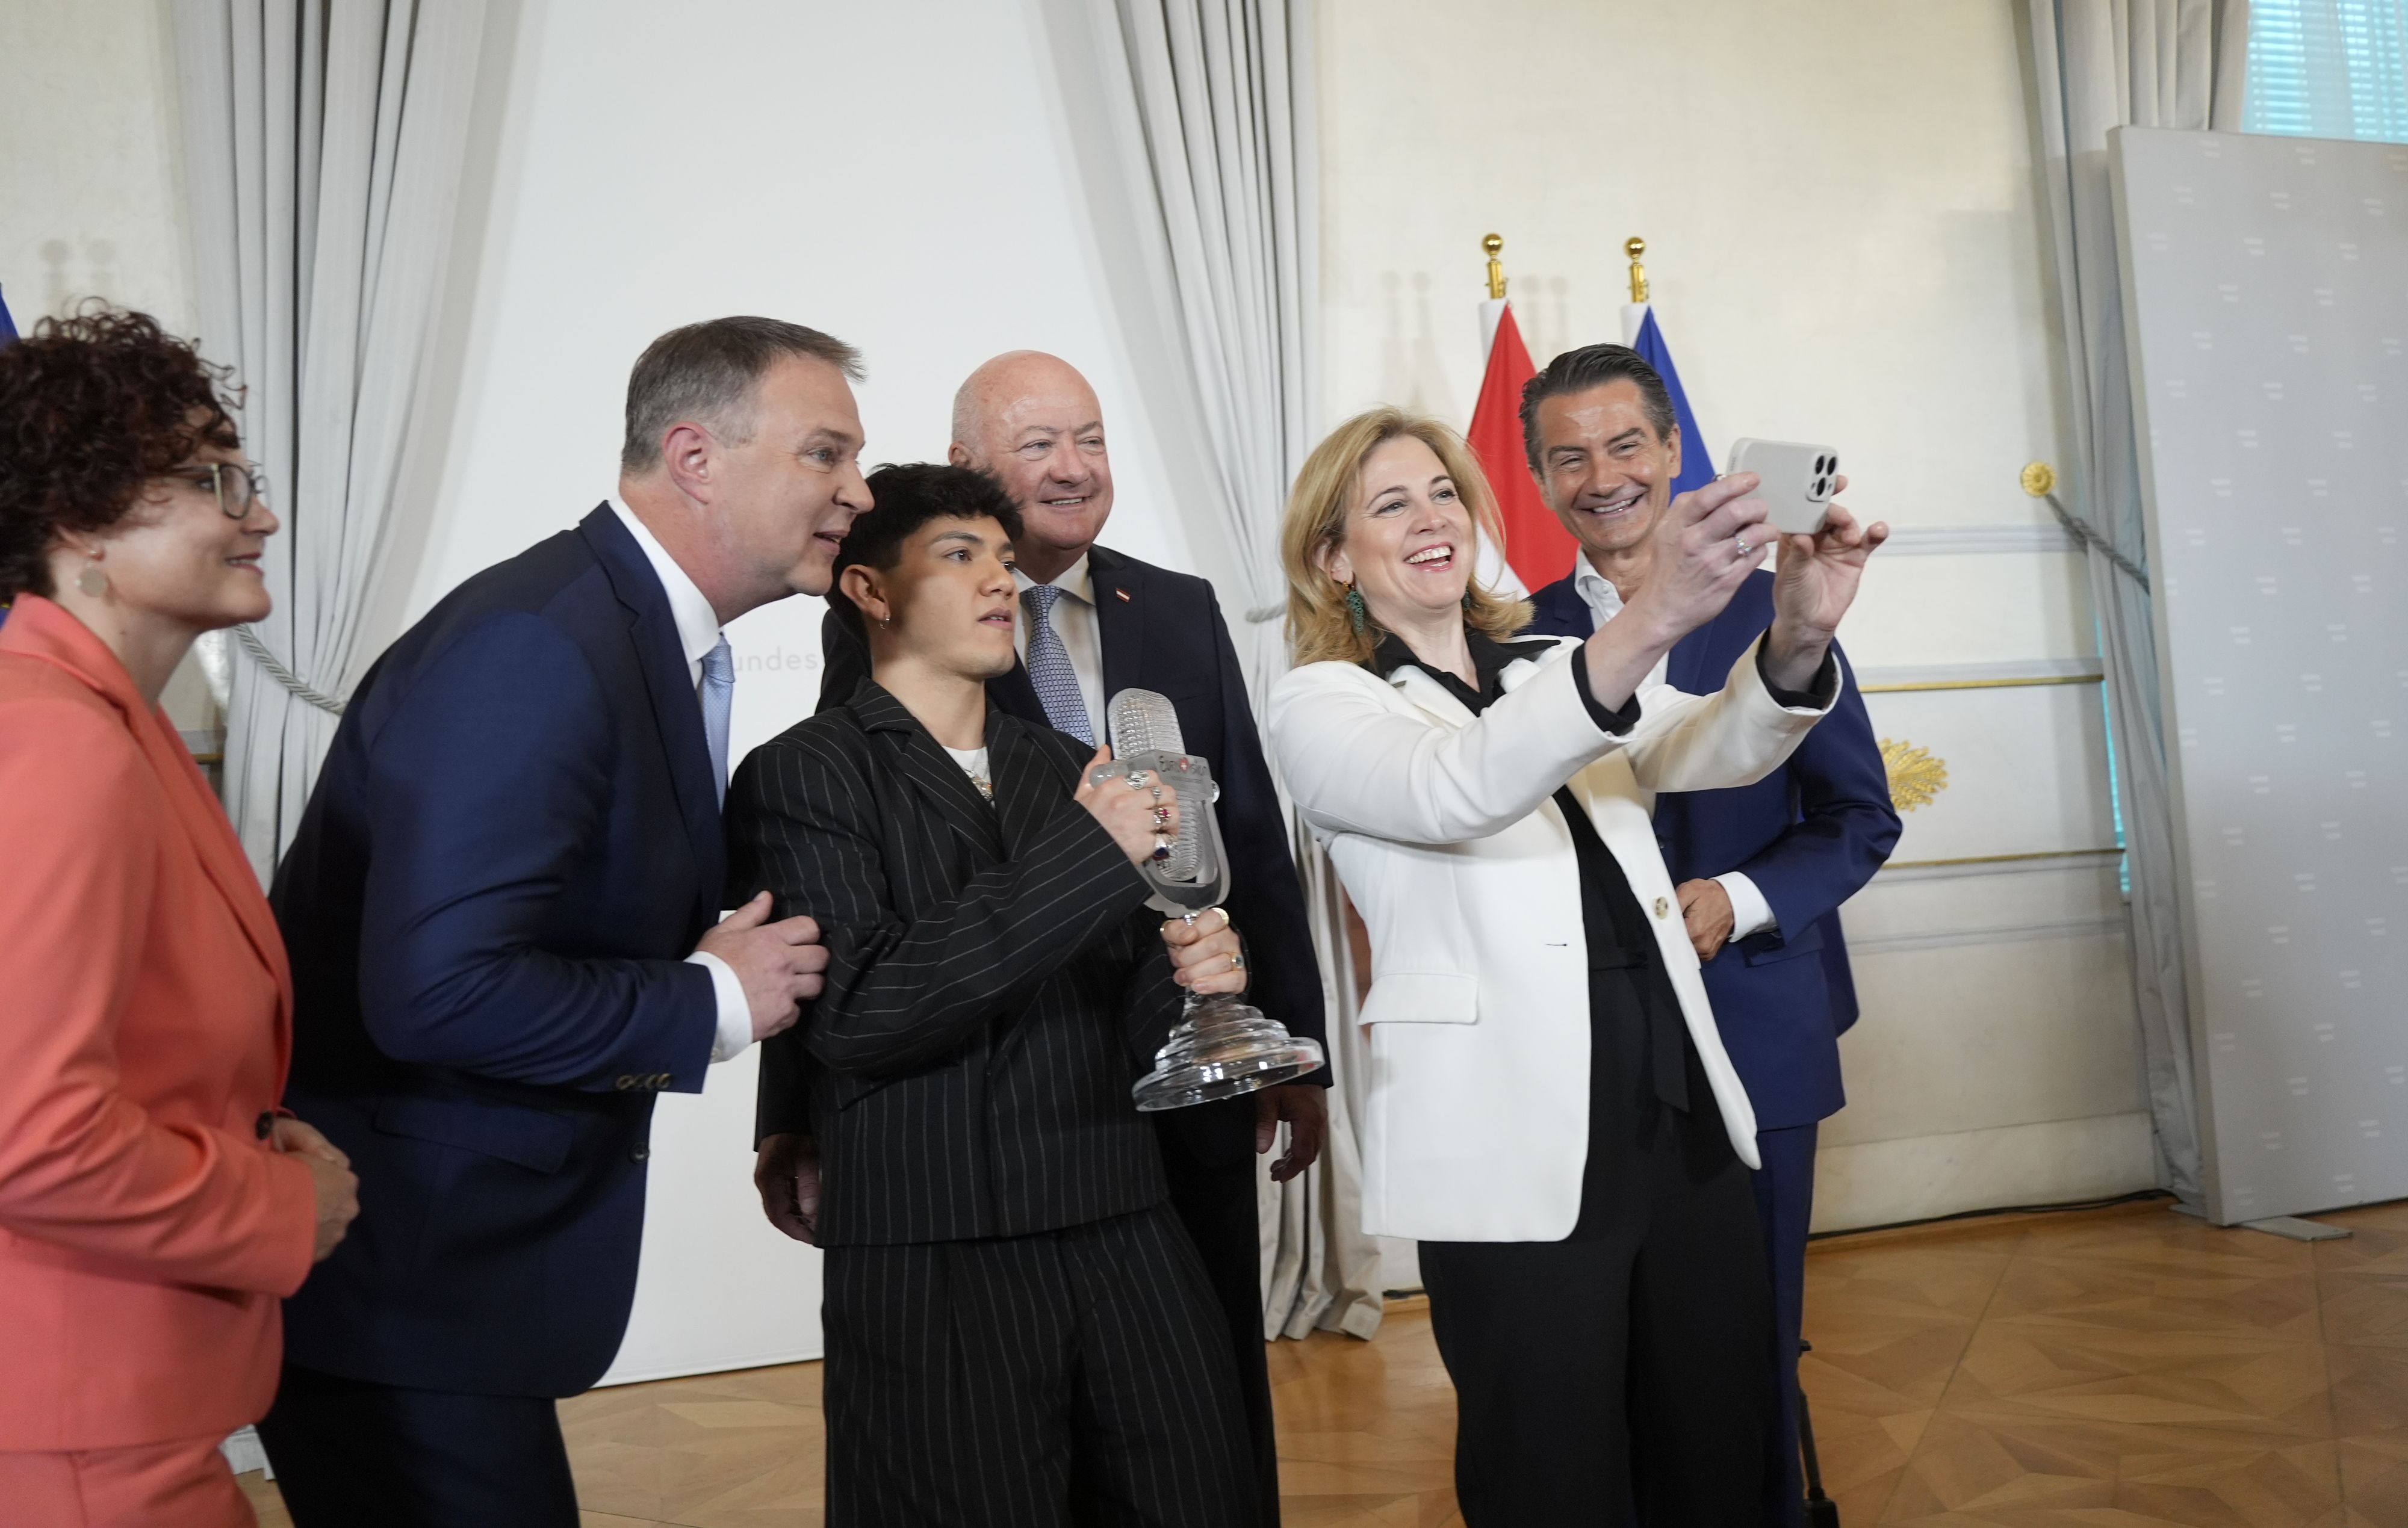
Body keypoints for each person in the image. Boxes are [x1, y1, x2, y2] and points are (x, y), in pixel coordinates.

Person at [259, 318, 863, 1526]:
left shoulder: (623, 629)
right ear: (695, 455)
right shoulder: (539, 645)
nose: (855, 491)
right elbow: (437, 988)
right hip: (403, 1278)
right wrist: (710, 1000)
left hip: (453, 1278)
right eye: (824, 453)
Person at [1264, 406, 1886, 1524]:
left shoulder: (1545, 661)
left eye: (1445, 492)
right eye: (1390, 504)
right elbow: (1460, 786)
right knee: (1553, 1464)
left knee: (1716, 1434)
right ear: (1332, 557)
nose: (1431, 518)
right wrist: (1656, 612)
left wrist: (1797, 632)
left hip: (1673, 1093)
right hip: (1512, 1136)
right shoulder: (1320, 703)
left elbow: (1709, 741)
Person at [802, 350, 1323, 1515]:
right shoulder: (853, 690)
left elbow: (1246, 835)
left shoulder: (1173, 611)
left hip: (1159, 1097)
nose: (1073, 466)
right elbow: (840, 922)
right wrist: (794, 1110)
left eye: (1088, 438)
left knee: (1200, 1420)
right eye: (1037, 443)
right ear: (966, 465)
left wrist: (1261, 1023)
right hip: (969, 1141)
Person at [1519, 343, 1901, 1527]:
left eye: (1624, 444)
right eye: (1566, 456)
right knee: (1618, 1351)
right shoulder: (1512, 632)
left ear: (1673, 449)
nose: (1602, 477)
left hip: (1754, 1033)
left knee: (1746, 1340)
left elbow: (1858, 819)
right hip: (1591, 1061)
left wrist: (1728, 899)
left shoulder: (1772, 605)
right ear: (1535, 478)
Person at [0, 308, 359, 1527]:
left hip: (120, 1410)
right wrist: (278, 1208)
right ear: (82, 521)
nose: (258, 513)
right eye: (214, 477)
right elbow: (30, 1132)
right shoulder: (57, 741)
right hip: (80, 1430)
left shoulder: (114, 724)